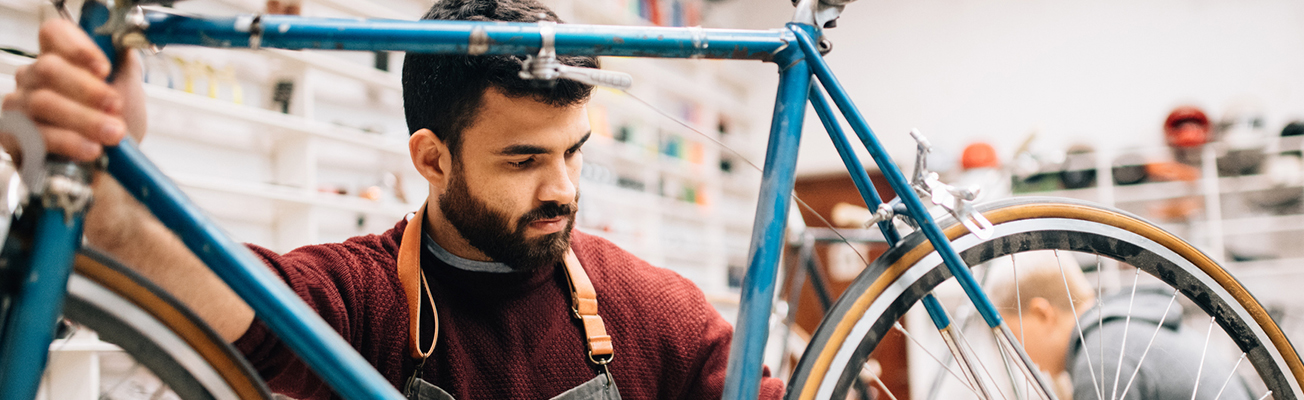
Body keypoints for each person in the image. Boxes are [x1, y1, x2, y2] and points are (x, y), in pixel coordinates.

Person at [1, 0, 785, 398]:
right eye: (524, 160)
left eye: (573, 152)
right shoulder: (363, 299)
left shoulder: (650, 310)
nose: (564, 190)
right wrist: (113, 177)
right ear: (432, 159)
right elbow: (202, 289)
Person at [991, 252, 1252, 400]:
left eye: (1015, 337)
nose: (1019, 355)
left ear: (1042, 314)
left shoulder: (1100, 361)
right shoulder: (1118, 331)